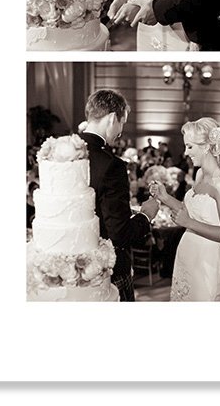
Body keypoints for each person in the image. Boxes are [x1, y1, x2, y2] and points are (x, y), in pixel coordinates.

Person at [79, 89, 158, 302]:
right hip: (106, 269)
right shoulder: (112, 165)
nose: (120, 131)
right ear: (113, 118)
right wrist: (146, 216)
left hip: (70, 268)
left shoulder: (67, 151)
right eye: (122, 123)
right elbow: (120, 234)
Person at [149, 118, 220, 301]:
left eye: (189, 147)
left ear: (206, 146)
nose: (185, 152)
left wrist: (189, 223)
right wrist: (165, 197)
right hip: (187, 252)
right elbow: (188, 211)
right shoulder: (199, 174)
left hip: (207, 258)